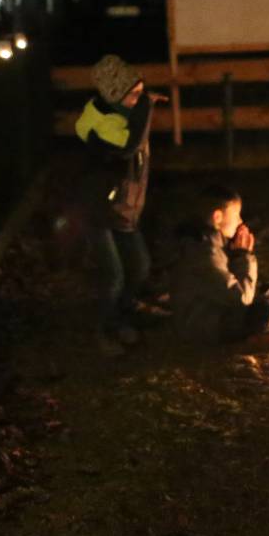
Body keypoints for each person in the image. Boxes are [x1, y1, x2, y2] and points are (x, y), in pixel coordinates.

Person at [75, 53, 164, 355]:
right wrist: (146, 109)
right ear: (114, 94)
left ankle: (122, 318)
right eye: (134, 94)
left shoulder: (125, 117)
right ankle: (104, 330)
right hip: (99, 210)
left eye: (141, 93)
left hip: (124, 209)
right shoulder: (99, 124)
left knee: (139, 267)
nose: (139, 100)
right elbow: (129, 147)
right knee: (113, 275)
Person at [170, 184, 269, 349]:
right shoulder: (203, 252)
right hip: (203, 326)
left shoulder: (210, 242)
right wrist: (244, 256)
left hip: (215, 309)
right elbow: (241, 299)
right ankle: (263, 333)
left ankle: (267, 333)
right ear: (218, 217)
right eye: (237, 215)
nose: (240, 221)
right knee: (263, 308)